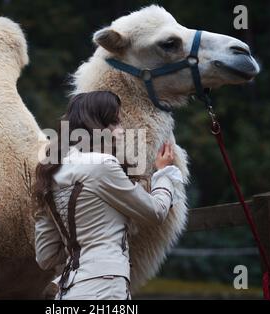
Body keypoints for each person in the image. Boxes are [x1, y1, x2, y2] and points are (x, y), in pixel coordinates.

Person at [33, 91, 184, 300]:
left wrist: (83, 248)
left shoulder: (51, 173)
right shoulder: (102, 165)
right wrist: (164, 173)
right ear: (96, 126)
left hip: (70, 291)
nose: (122, 131)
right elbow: (155, 212)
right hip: (106, 289)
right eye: (115, 122)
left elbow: (46, 256)